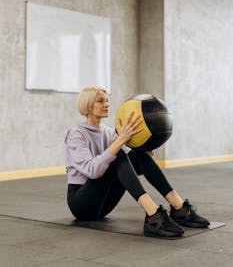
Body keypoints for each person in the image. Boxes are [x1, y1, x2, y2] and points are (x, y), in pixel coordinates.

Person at [65, 86, 210, 238]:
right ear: (87, 106)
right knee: (118, 154)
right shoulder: (76, 134)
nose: (106, 104)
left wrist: (145, 149)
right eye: (100, 101)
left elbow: (132, 165)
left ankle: (178, 207)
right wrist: (120, 140)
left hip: (104, 204)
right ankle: (153, 214)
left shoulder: (108, 131)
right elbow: (92, 171)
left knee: (137, 153)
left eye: (107, 100)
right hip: (82, 204)